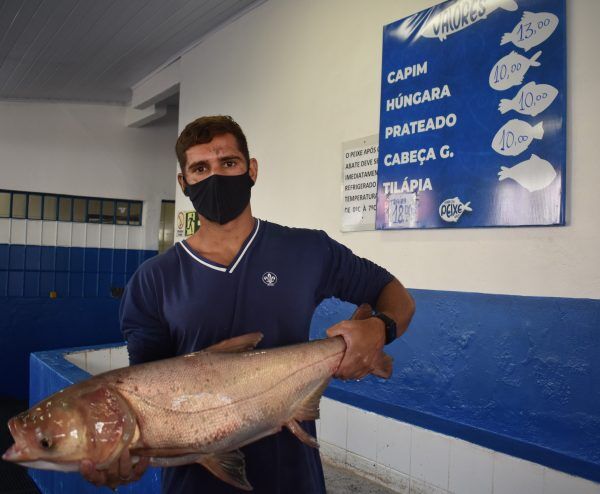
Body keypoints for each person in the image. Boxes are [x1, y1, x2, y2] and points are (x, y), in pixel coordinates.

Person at [81, 115, 415, 493]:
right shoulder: (153, 279)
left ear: (251, 169)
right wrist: (126, 455)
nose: (216, 177)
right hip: (194, 485)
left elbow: (395, 294)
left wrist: (380, 328)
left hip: (294, 479)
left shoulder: (307, 250)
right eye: (200, 168)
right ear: (183, 182)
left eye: (228, 163)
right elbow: (149, 399)